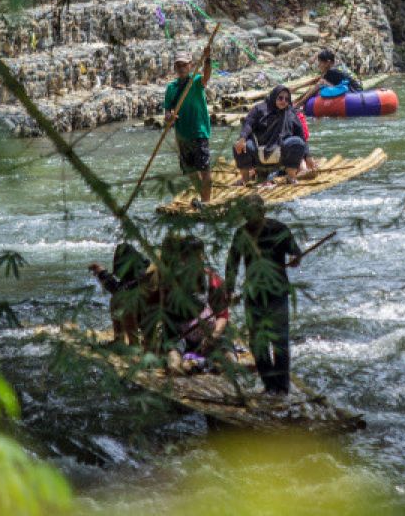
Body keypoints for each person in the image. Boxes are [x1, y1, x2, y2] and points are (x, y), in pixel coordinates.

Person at [223, 195, 303, 395]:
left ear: (262, 212)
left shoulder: (279, 229)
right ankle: (269, 384)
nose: (251, 218)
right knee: (258, 341)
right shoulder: (241, 234)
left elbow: (296, 252)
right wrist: (229, 289)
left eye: (254, 214)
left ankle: (282, 387)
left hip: (277, 291)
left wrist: (295, 258)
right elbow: (232, 263)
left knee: (279, 340)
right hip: (254, 293)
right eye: (247, 215)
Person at [163, 50, 213, 206]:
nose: (181, 68)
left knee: (204, 168)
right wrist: (169, 118)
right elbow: (167, 114)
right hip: (182, 135)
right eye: (178, 65)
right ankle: (202, 196)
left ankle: (206, 202)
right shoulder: (171, 88)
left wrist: (207, 59)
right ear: (175, 68)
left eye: (184, 64)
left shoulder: (196, 81)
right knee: (190, 171)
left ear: (191, 65)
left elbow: (207, 76)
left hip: (199, 131)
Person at [233, 85, 309, 185]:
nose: (283, 101)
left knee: (297, 142)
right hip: (259, 151)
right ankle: (245, 179)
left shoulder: (290, 113)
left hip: (282, 152)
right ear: (273, 96)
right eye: (280, 98)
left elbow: (301, 135)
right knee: (240, 146)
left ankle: (291, 177)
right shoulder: (259, 109)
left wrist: (308, 156)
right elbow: (248, 124)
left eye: (287, 99)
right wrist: (242, 139)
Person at [89, 242, 155, 346]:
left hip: (147, 314)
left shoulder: (142, 276)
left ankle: (132, 343)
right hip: (148, 313)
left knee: (121, 300)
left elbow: (119, 291)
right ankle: (121, 340)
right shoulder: (143, 269)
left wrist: (101, 272)